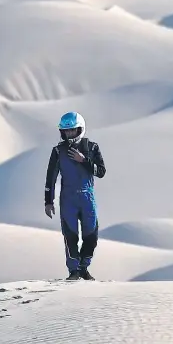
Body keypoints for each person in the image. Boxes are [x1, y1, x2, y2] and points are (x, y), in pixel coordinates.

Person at [44, 111, 107, 280]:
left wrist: (84, 160)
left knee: (91, 236)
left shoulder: (92, 147)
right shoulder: (58, 151)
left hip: (87, 198)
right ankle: (73, 271)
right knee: (70, 236)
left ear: (80, 129)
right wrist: (48, 201)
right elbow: (51, 177)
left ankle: (84, 268)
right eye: (66, 131)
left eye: (72, 130)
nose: (69, 134)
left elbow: (101, 172)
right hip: (68, 199)